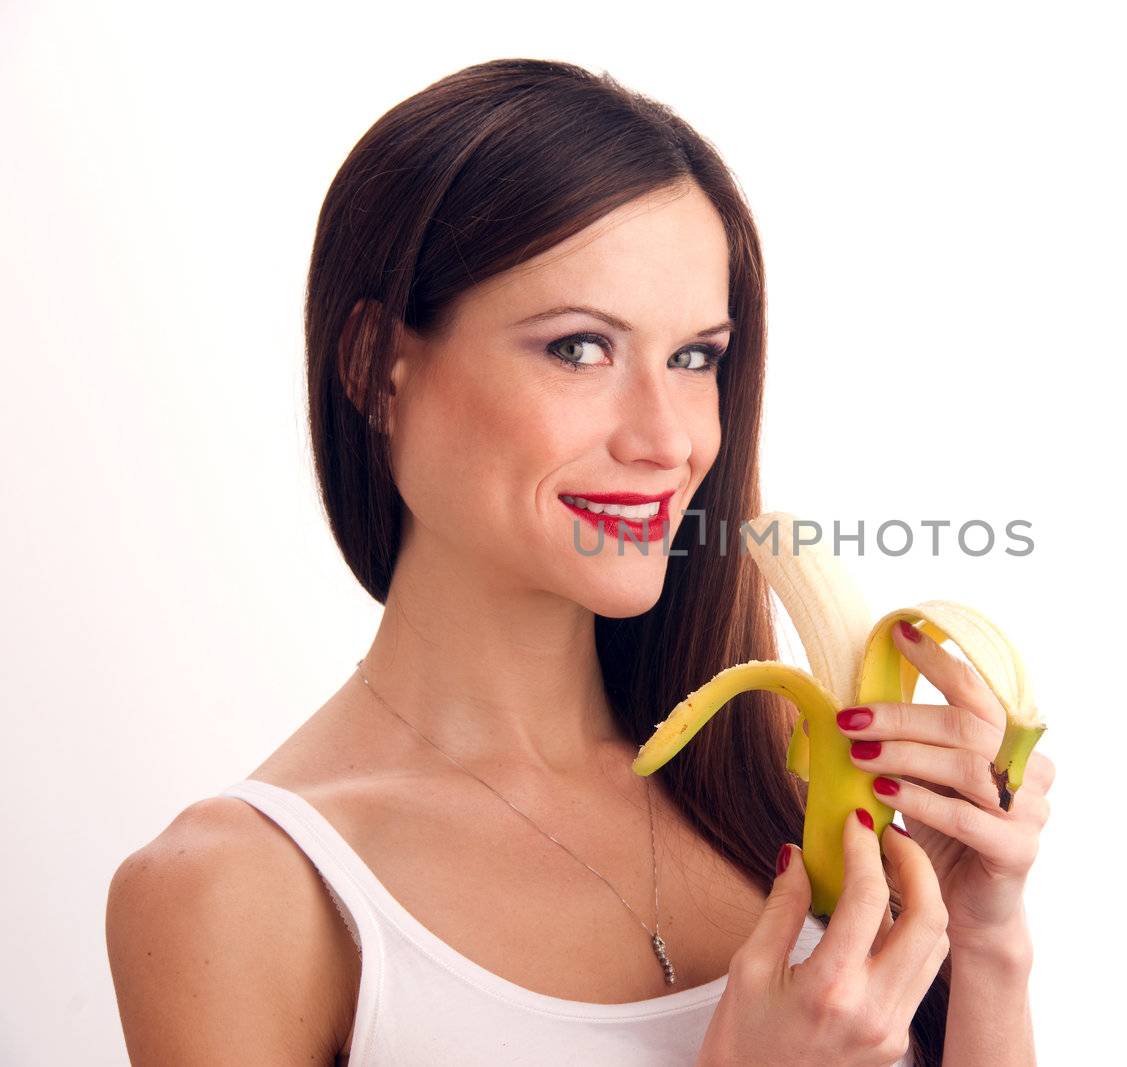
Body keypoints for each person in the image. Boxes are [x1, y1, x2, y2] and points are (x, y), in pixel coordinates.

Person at [105, 58, 1050, 1066]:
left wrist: (984, 940)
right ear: (376, 362)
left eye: (696, 358)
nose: (665, 438)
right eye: (580, 348)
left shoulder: (790, 771)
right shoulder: (245, 888)